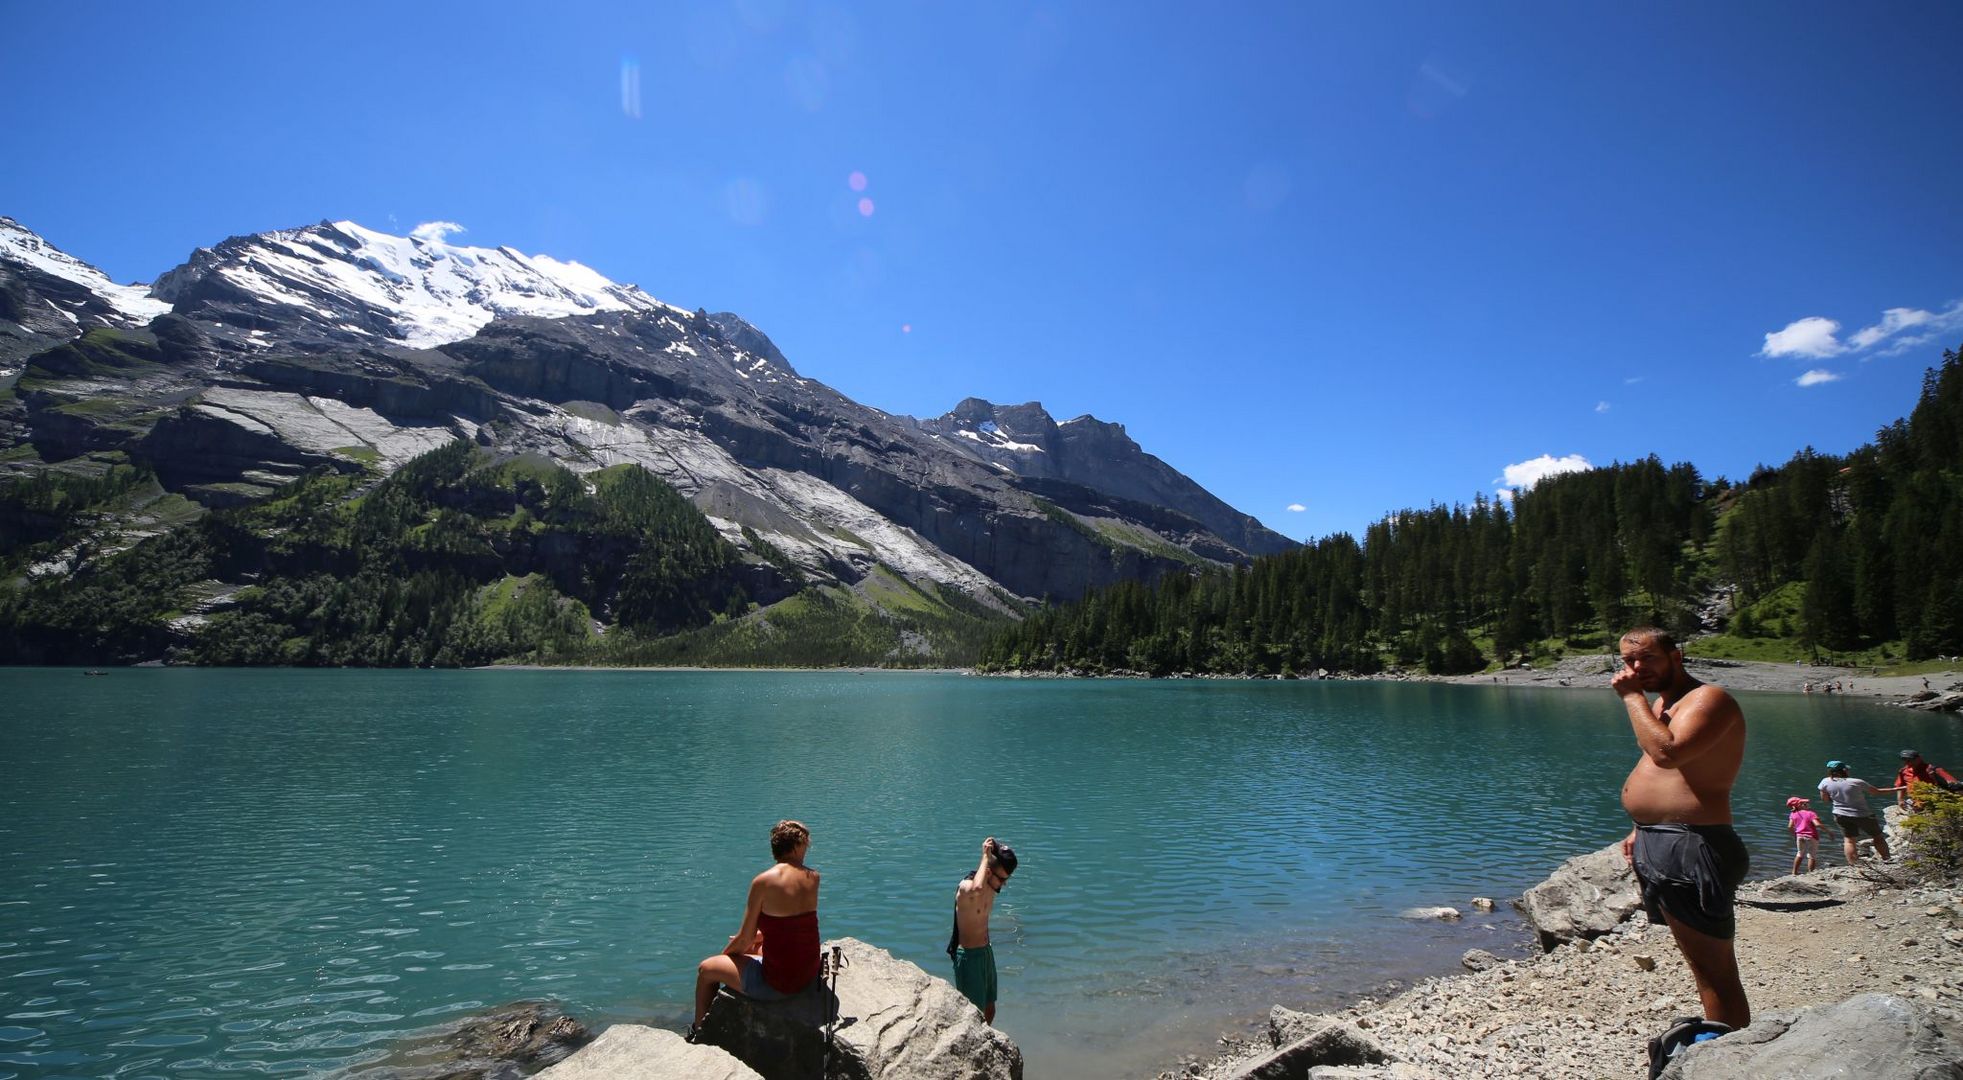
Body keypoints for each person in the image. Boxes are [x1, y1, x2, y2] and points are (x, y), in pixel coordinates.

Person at [1612, 626, 1750, 1030]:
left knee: (1714, 970)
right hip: (1662, 841)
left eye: (1647, 658)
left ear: (1677, 655)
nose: (1637, 668)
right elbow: (1659, 771)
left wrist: (1632, 697)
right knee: (1699, 964)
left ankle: (1730, 1056)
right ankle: (1722, 1048)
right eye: (1628, 661)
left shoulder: (1710, 699)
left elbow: (1668, 754)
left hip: (1693, 844)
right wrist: (1642, 825)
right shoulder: (1663, 705)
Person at [691, 820, 822, 1036]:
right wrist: (758, 939)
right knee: (756, 947)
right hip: (807, 975)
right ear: (798, 846)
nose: (806, 851)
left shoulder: (763, 881)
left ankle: (700, 1031)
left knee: (706, 969)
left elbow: (744, 938)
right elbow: (793, 925)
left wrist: (727, 956)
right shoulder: (813, 877)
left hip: (779, 987)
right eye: (806, 845)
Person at [947, 836, 1017, 1024]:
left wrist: (996, 848)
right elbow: (976, 888)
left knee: (989, 1009)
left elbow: (1003, 859)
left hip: (986, 952)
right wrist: (985, 855)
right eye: (1002, 879)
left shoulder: (990, 885)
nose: (1004, 884)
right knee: (972, 1016)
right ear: (987, 871)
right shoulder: (967, 888)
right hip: (969, 957)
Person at [1817, 762, 1901, 865]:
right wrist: (1897, 789)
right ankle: (1887, 859)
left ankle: (1853, 863)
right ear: (1844, 770)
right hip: (1862, 814)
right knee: (1878, 836)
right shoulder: (1856, 782)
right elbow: (1877, 792)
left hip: (1840, 815)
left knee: (1849, 840)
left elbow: (1825, 799)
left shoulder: (1825, 782)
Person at [1894, 749, 1963, 808]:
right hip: (1915, 802)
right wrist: (1900, 800)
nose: (1907, 762)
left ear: (1919, 758)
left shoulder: (1932, 770)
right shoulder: (1903, 771)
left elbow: (1954, 785)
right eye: (1904, 759)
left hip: (1933, 801)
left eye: (1909, 760)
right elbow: (1900, 786)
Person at [1786, 796, 1821, 874]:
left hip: (1799, 836)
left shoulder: (1793, 814)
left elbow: (1790, 826)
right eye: (1803, 803)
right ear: (1797, 805)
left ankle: (1794, 872)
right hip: (1812, 836)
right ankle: (1811, 873)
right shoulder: (1811, 813)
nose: (1806, 804)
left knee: (1799, 853)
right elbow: (1817, 824)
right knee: (1812, 855)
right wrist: (1828, 831)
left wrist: (1795, 834)